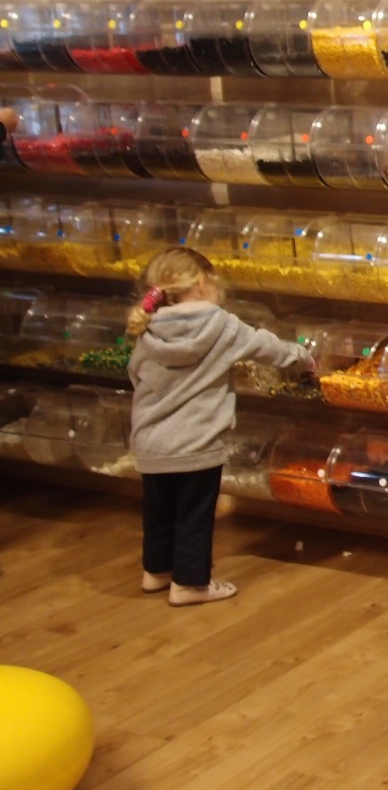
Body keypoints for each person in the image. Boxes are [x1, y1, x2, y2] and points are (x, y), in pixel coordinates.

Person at [126, 248, 313, 607]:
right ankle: (190, 585)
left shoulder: (147, 327)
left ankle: (157, 571)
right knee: (195, 514)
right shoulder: (222, 325)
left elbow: (135, 374)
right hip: (198, 442)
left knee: (158, 510)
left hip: (151, 441)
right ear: (201, 282)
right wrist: (303, 357)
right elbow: (268, 348)